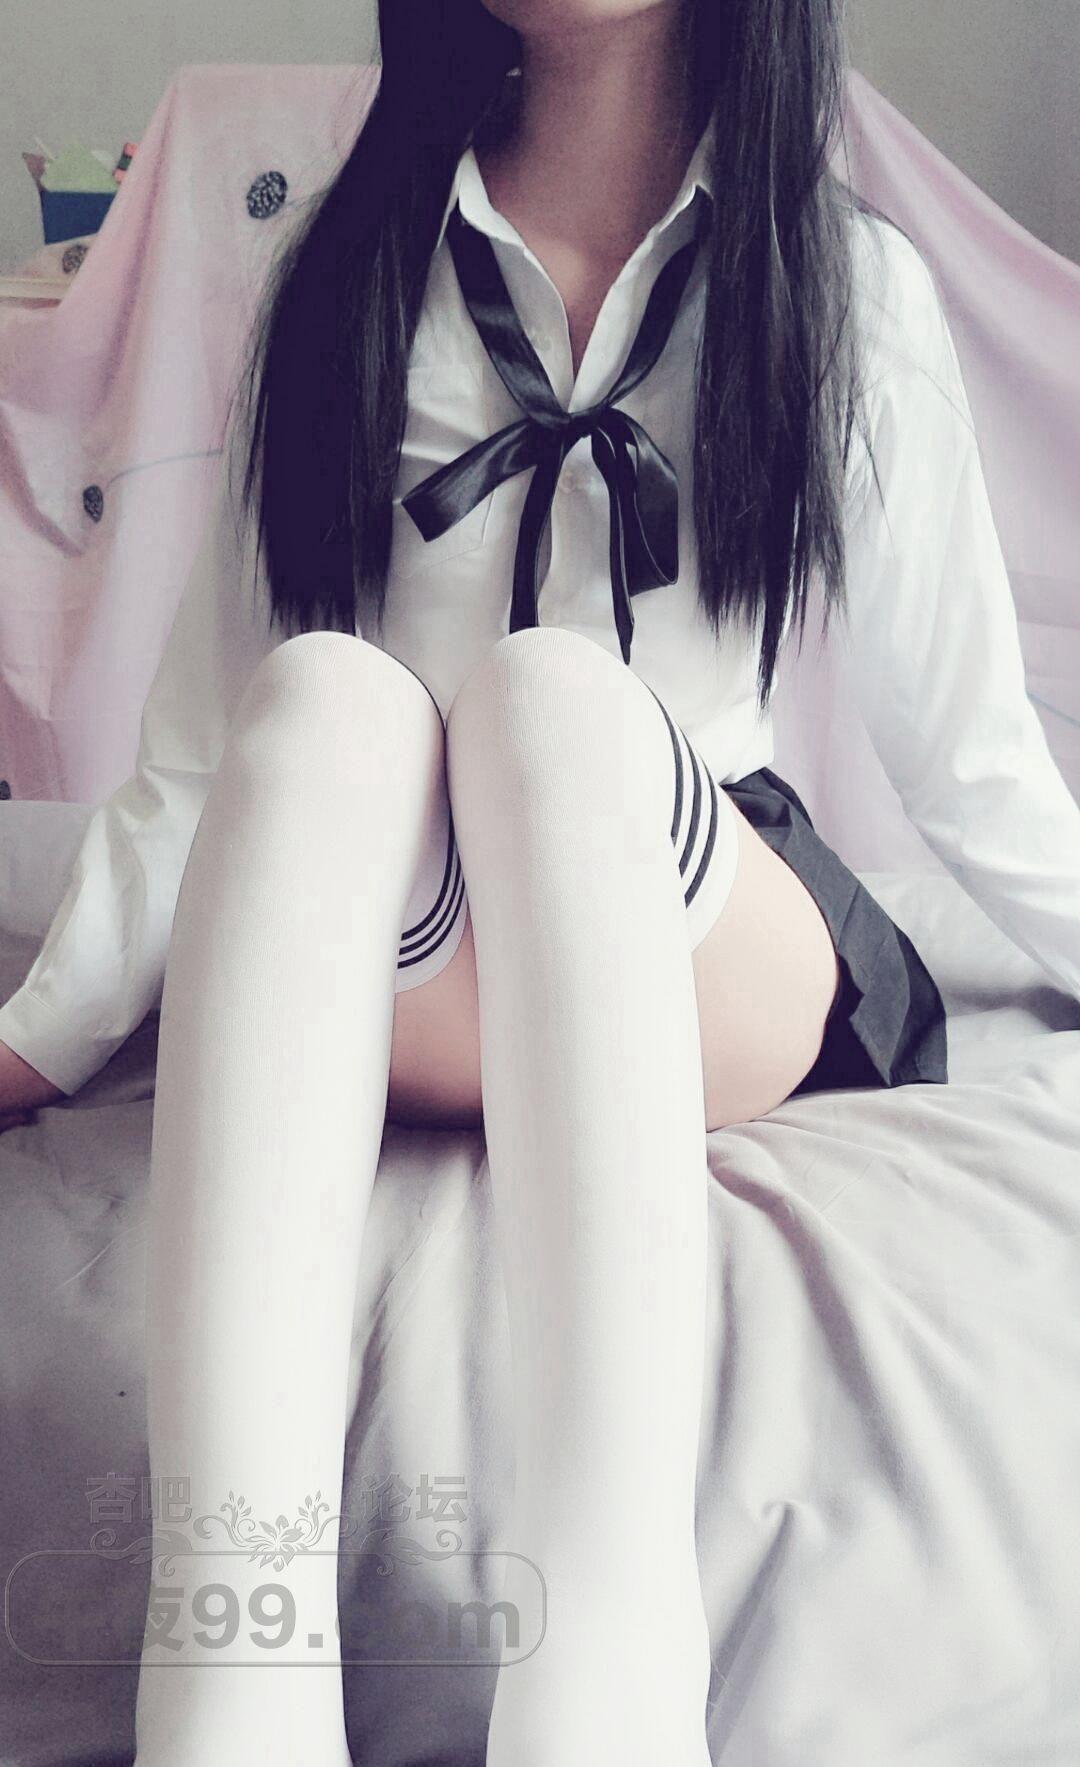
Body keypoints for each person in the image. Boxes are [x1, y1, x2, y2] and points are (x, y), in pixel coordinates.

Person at [2, 2, 1079, 1763]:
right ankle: (232, 1676)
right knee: (325, 702)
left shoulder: (839, 288)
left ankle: (608, 1684)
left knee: (551, 706)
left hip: (703, 932)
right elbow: (206, 752)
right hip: (426, 938)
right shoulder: (345, 271)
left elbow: (973, 757)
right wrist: (39, 1038)